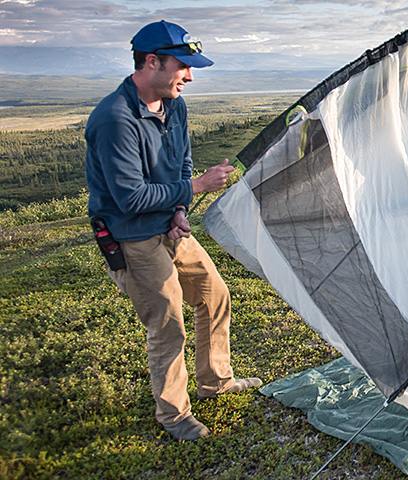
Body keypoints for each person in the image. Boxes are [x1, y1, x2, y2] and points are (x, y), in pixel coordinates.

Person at [85, 20, 261, 442]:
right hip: (132, 236)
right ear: (151, 62)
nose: (190, 76)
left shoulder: (175, 105)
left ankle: (215, 382)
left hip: (170, 224)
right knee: (167, 324)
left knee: (214, 295)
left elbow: (181, 162)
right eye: (182, 66)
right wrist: (197, 187)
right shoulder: (113, 119)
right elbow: (130, 198)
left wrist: (181, 206)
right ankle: (175, 415)